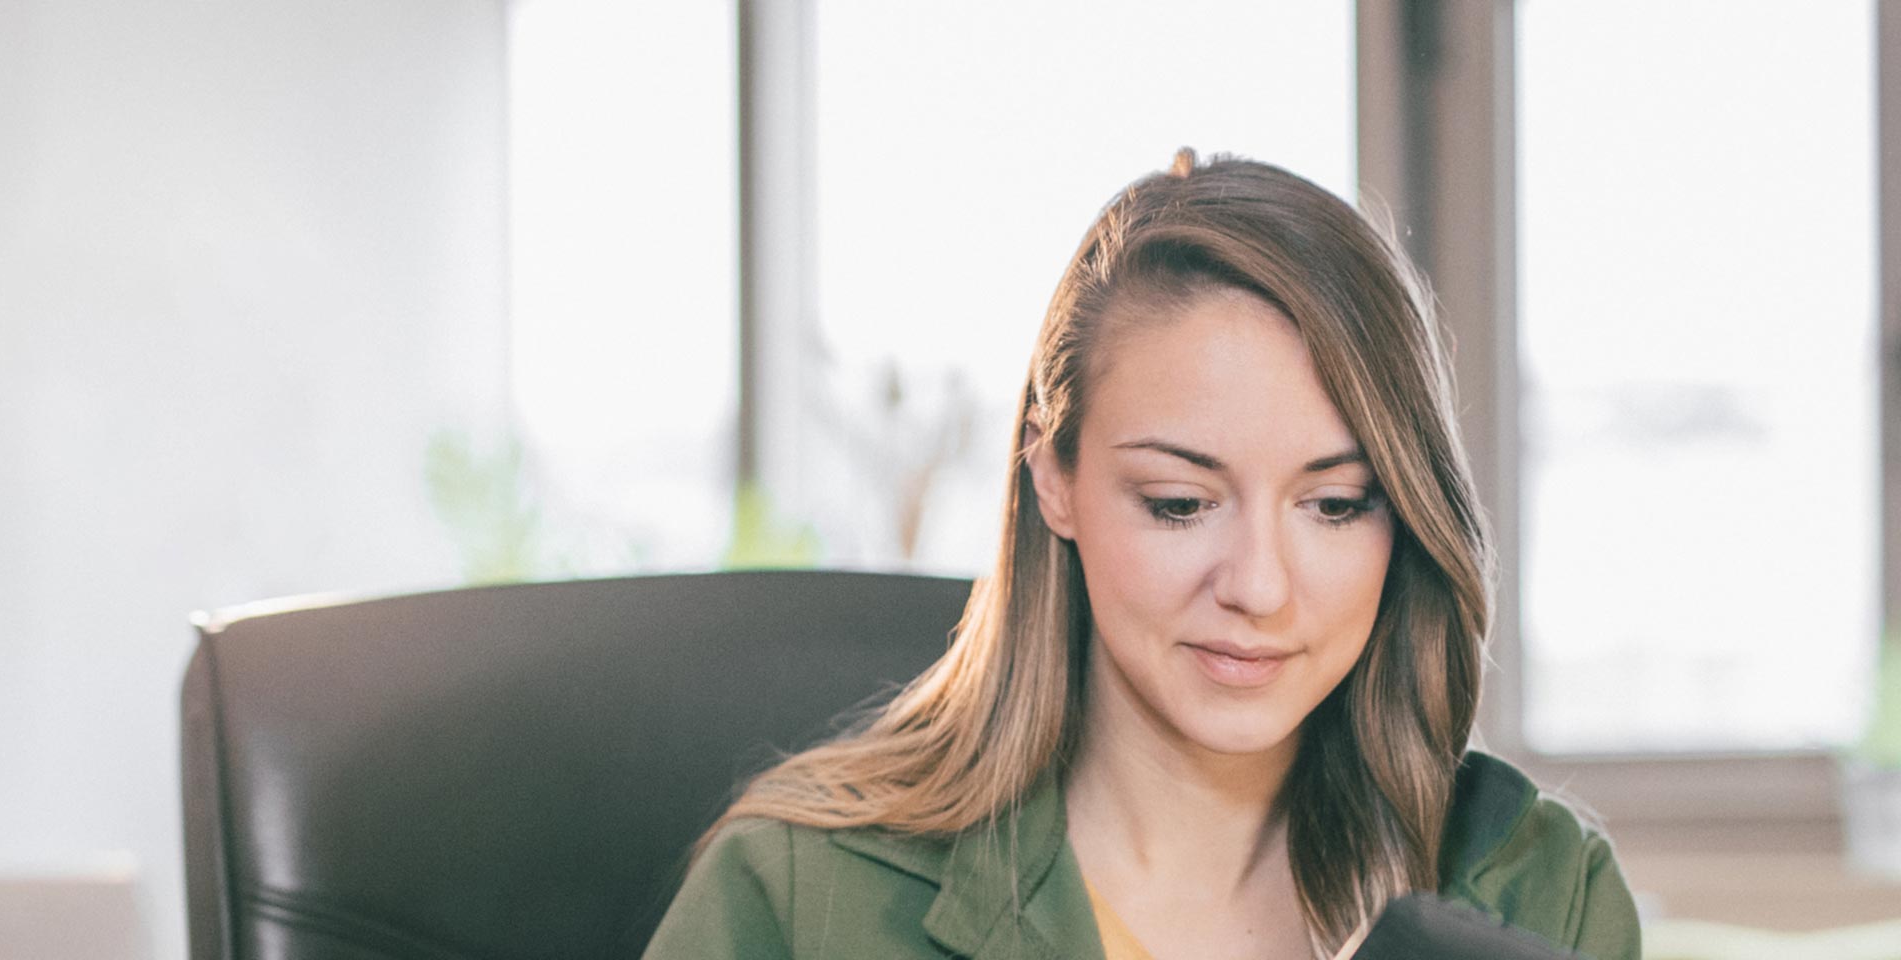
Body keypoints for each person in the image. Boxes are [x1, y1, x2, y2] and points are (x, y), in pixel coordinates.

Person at [643, 150, 1638, 960]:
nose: (1256, 585)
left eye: (1334, 505)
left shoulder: (1541, 893)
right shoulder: (798, 901)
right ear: (1054, 479)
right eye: (1178, 503)